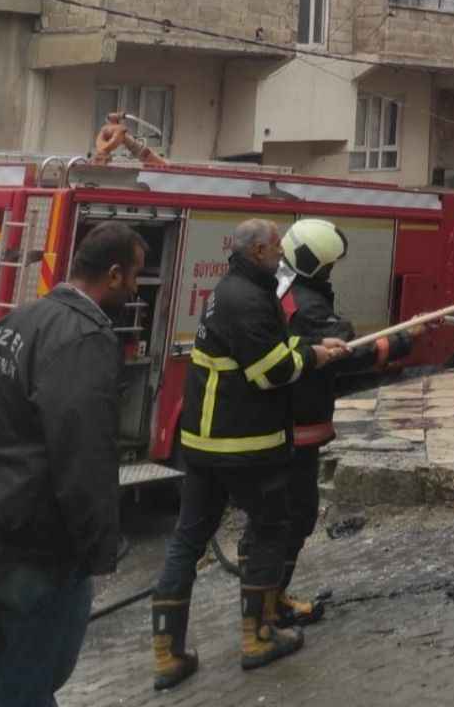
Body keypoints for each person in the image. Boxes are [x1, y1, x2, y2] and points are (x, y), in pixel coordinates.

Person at [150, 219, 349, 691]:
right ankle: (257, 638)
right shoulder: (250, 298)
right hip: (243, 446)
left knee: (186, 541)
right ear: (259, 250)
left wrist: (308, 345)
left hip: (201, 446)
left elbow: (263, 347)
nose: (282, 253)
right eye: (276, 246)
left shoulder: (231, 290)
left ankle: (167, 654)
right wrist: (317, 358)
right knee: (268, 530)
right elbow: (272, 371)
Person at [0, 223, 148, 706]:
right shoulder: (83, 337)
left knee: (12, 665)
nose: (136, 288)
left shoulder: (20, 321)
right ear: (112, 274)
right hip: (38, 544)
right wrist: (97, 547)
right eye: (134, 277)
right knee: (30, 675)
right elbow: (83, 454)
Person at [272, 219, 421, 626]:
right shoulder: (307, 304)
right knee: (297, 515)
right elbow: (346, 351)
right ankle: (271, 605)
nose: (331, 272)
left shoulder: (278, 285)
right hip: (295, 426)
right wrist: (404, 340)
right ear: (314, 265)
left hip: (278, 422)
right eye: (328, 267)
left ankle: (266, 602)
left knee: (276, 516)